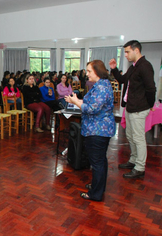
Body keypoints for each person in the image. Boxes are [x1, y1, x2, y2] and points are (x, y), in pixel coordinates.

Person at [65, 60, 116, 201]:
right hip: (100, 129)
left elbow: (92, 109)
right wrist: (76, 100)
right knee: (100, 161)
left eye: (89, 71)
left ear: (97, 72)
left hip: (98, 130)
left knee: (97, 162)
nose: (86, 74)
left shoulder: (101, 88)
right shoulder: (101, 85)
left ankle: (95, 194)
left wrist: (76, 103)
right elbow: (90, 103)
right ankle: (98, 186)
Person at [109, 40, 156, 178]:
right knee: (130, 136)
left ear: (136, 50)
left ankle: (140, 168)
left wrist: (150, 104)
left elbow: (151, 88)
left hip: (139, 108)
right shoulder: (133, 67)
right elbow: (123, 80)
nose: (126, 55)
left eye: (127, 52)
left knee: (138, 138)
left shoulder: (145, 66)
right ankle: (134, 160)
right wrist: (114, 69)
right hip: (130, 107)